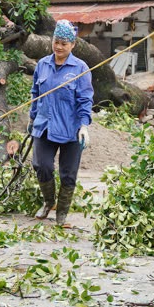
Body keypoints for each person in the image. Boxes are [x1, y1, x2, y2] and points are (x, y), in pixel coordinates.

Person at [29, 20, 94, 227]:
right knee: (42, 165)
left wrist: (84, 125)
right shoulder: (42, 65)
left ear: (72, 45)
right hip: (45, 125)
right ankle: (49, 202)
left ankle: (62, 214)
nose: (59, 47)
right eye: (56, 42)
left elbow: (85, 99)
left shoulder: (80, 68)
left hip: (70, 128)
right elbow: (35, 94)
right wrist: (32, 118)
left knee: (68, 173)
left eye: (64, 43)